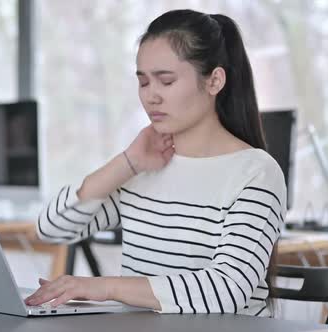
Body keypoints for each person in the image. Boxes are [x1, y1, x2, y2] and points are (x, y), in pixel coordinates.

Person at [25, 9, 286, 317]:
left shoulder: (255, 173)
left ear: (214, 80)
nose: (151, 97)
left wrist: (104, 287)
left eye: (166, 81)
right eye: (144, 82)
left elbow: (226, 289)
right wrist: (127, 162)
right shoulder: (144, 168)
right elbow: (51, 229)